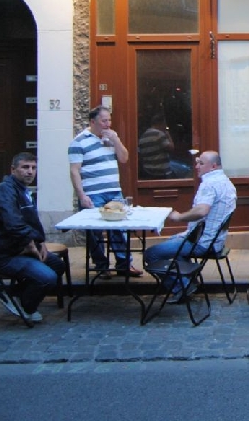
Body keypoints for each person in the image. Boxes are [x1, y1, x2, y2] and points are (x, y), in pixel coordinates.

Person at [0, 153, 67, 323]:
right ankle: (26, 305)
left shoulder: (22, 191)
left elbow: (31, 223)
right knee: (47, 277)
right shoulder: (5, 191)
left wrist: (40, 243)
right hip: (5, 254)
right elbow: (13, 223)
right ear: (13, 170)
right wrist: (31, 245)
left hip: (18, 248)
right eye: (25, 167)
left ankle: (14, 294)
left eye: (33, 168)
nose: (30, 172)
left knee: (57, 265)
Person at [143, 150, 237, 301]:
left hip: (202, 243)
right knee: (173, 240)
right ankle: (189, 281)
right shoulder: (227, 183)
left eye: (201, 163)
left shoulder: (210, 184)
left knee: (151, 254)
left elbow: (202, 210)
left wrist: (179, 217)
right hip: (214, 241)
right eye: (197, 162)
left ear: (213, 166)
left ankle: (182, 286)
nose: (196, 166)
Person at [68, 105, 141, 276]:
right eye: (104, 121)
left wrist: (116, 140)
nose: (108, 124)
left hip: (114, 190)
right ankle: (101, 266)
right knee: (95, 231)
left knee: (119, 228)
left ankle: (124, 264)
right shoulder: (79, 142)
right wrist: (82, 195)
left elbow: (124, 158)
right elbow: (74, 171)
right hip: (93, 193)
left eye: (109, 120)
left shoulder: (110, 138)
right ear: (92, 122)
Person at [138, 114, 174, 179]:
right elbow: (171, 148)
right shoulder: (159, 134)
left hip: (148, 172)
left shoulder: (143, 136)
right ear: (161, 123)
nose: (165, 126)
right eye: (165, 124)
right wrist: (168, 136)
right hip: (161, 172)